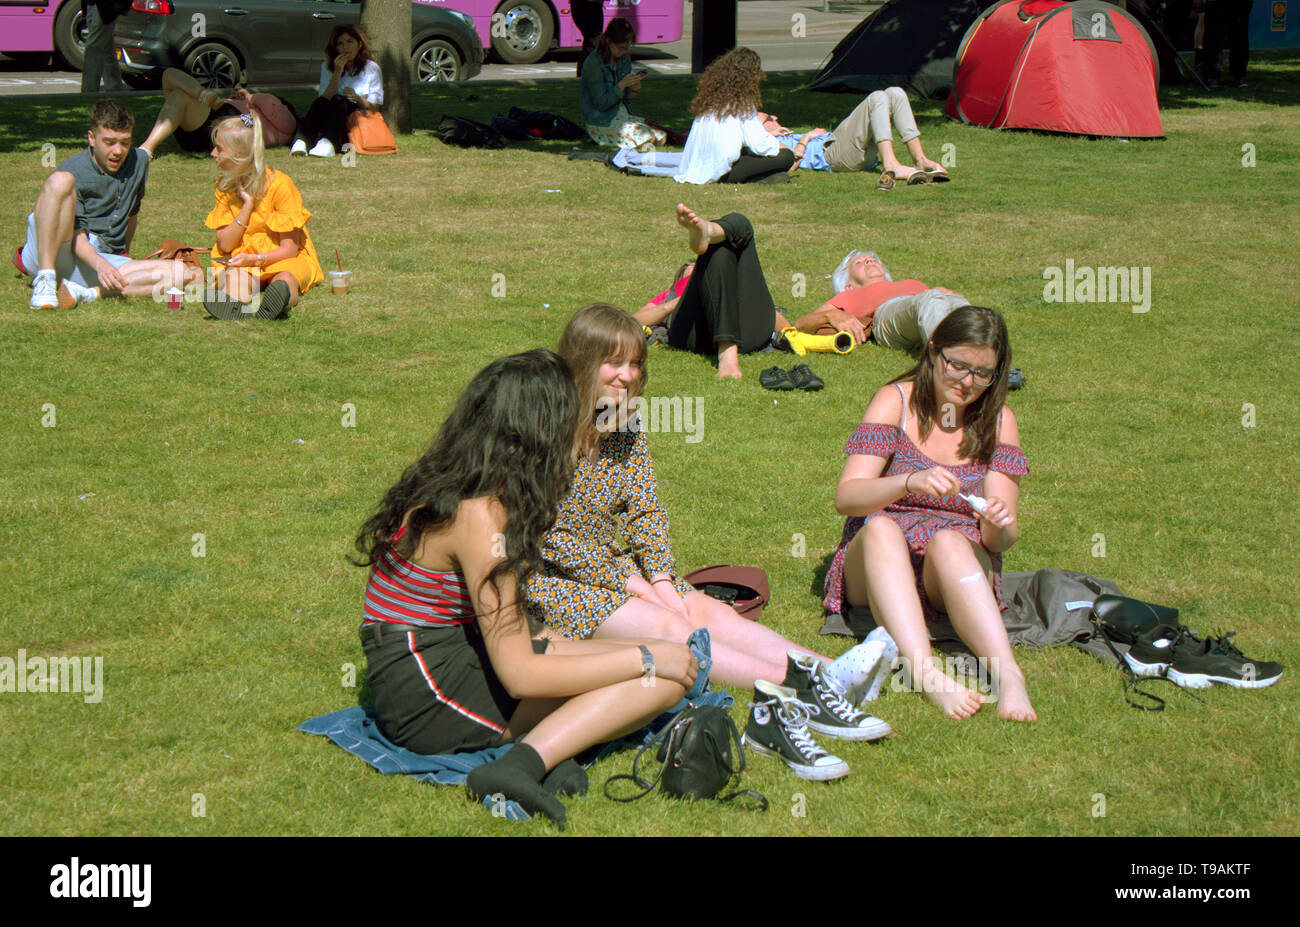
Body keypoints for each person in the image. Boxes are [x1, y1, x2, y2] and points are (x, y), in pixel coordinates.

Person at [523, 304, 895, 744]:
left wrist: (660, 575)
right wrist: (632, 583)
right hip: (551, 584)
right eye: (615, 363)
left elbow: (645, 508)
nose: (628, 376)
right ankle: (807, 690)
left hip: (615, 570)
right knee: (672, 630)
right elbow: (549, 537)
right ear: (582, 360)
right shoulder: (543, 428)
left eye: (636, 364)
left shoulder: (622, 421)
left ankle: (831, 670)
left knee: (705, 610)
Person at [354, 349, 696, 826]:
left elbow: (525, 630)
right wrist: (645, 660)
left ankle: (552, 749)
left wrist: (639, 651)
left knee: (648, 660)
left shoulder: (460, 480)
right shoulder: (482, 514)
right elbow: (519, 673)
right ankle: (521, 764)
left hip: (435, 657)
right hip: (429, 697)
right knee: (656, 680)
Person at [824, 306, 1036, 722]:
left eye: (983, 373)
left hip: (950, 565)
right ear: (933, 352)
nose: (967, 383)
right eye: (957, 365)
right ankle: (925, 672)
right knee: (883, 526)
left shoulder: (998, 420)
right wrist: (907, 482)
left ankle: (1010, 676)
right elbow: (847, 498)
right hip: (878, 560)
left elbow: (998, 542)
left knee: (950, 541)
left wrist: (998, 525)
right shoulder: (896, 402)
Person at [18, 99, 200, 310]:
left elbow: (132, 212)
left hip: (93, 258)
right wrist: (101, 264)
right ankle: (45, 279)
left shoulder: (137, 162)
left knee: (182, 272)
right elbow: (78, 236)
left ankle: (84, 293)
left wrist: (124, 254)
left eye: (125, 142)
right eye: (109, 142)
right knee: (60, 180)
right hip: (54, 247)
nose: (118, 151)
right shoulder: (75, 169)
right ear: (92, 138)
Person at [633, 204, 794, 379]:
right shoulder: (675, 292)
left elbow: (780, 323)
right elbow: (633, 321)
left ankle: (710, 230)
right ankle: (727, 352)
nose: (694, 266)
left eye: (696, 263)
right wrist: (673, 303)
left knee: (739, 225)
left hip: (747, 331)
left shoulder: (730, 276)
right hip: (696, 333)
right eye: (691, 265)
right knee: (713, 250)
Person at [202, 113, 324, 320]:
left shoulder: (280, 185)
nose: (213, 153)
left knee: (285, 278)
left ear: (241, 155)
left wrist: (256, 259)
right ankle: (235, 309)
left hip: (284, 258)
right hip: (244, 259)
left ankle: (277, 305)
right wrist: (247, 206)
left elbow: (289, 249)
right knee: (233, 277)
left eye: (220, 148)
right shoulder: (223, 188)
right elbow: (225, 244)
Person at [760, 88, 950, 186]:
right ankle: (890, 165)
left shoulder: (782, 134)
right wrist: (806, 138)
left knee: (895, 93)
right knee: (876, 97)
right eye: (769, 118)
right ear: (760, 129)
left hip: (848, 150)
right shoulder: (768, 142)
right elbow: (788, 165)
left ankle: (920, 160)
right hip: (832, 156)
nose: (775, 117)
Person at [794, 250, 970, 352]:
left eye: (871, 259)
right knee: (931, 299)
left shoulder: (911, 283)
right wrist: (830, 315)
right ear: (848, 285)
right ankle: (947, 358)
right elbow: (801, 324)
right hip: (889, 314)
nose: (869, 260)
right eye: (859, 263)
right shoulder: (848, 296)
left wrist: (945, 294)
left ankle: (979, 351)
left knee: (961, 307)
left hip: (925, 303)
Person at [674, 47, 795, 185]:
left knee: (771, 169)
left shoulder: (709, 101)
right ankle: (767, 177)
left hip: (697, 168)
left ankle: (770, 178)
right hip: (722, 172)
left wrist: (771, 134)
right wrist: (787, 149)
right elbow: (759, 144)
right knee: (786, 157)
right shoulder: (743, 105)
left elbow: (737, 137)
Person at [141, 69, 299, 156]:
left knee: (177, 92)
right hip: (207, 125)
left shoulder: (286, 120)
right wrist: (238, 98)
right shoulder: (251, 108)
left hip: (224, 124)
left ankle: (147, 148)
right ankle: (201, 94)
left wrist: (250, 96)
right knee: (168, 76)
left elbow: (271, 106)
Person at [292, 25, 383, 158]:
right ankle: (302, 141)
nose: (345, 47)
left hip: (357, 115)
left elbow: (376, 107)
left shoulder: (371, 68)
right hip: (331, 112)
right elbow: (324, 98)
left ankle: (329, 143)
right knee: (322, 102)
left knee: (339, 100)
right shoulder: (327, 66)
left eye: (350, 42)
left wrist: (358, 98)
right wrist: (337, 72)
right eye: (340, 44)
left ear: (360, 44)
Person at [580, 17, 665, 151]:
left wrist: (633, 90)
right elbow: (601, 104)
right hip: (600, 120)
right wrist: (621, 85)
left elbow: (624, 100)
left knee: (660, 135)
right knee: (647, 136)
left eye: (627, 48)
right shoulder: (594, 64)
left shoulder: (624, 60)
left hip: (620, 115)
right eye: (620, 48)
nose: (624, 52)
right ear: (608, 41)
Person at [80, 0, 125, 94]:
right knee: (106, 49)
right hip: (93, 5)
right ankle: (115, 89)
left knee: (93, 47)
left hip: (104, 6)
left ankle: (89, 91)